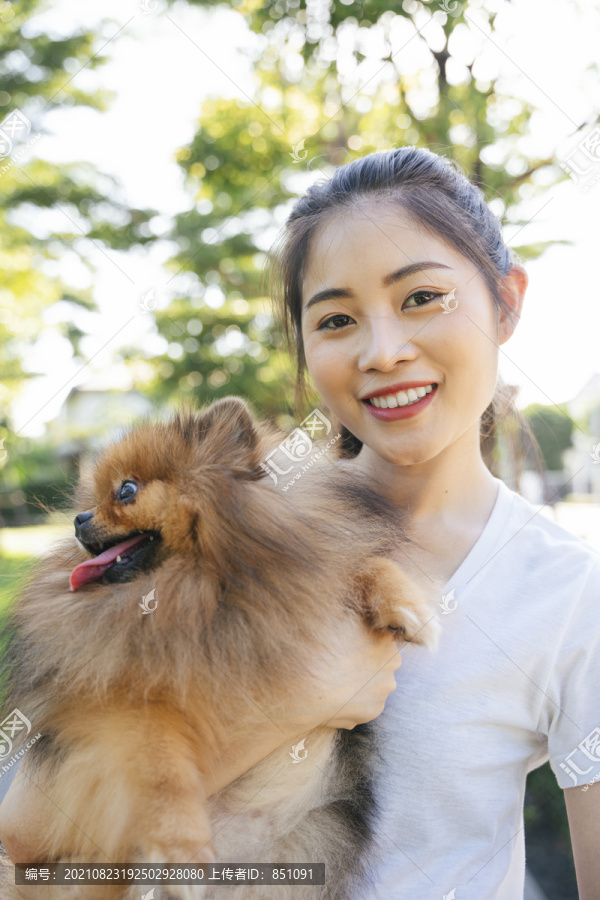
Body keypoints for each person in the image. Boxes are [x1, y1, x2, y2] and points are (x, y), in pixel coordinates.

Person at [1, 147, 599, 900]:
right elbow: (25, 834)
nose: (384, 351)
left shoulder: (570, 591)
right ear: (307, 343)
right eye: (338, 318)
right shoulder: (211, 546)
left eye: (422, 298)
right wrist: (303, 699)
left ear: (506, 302)